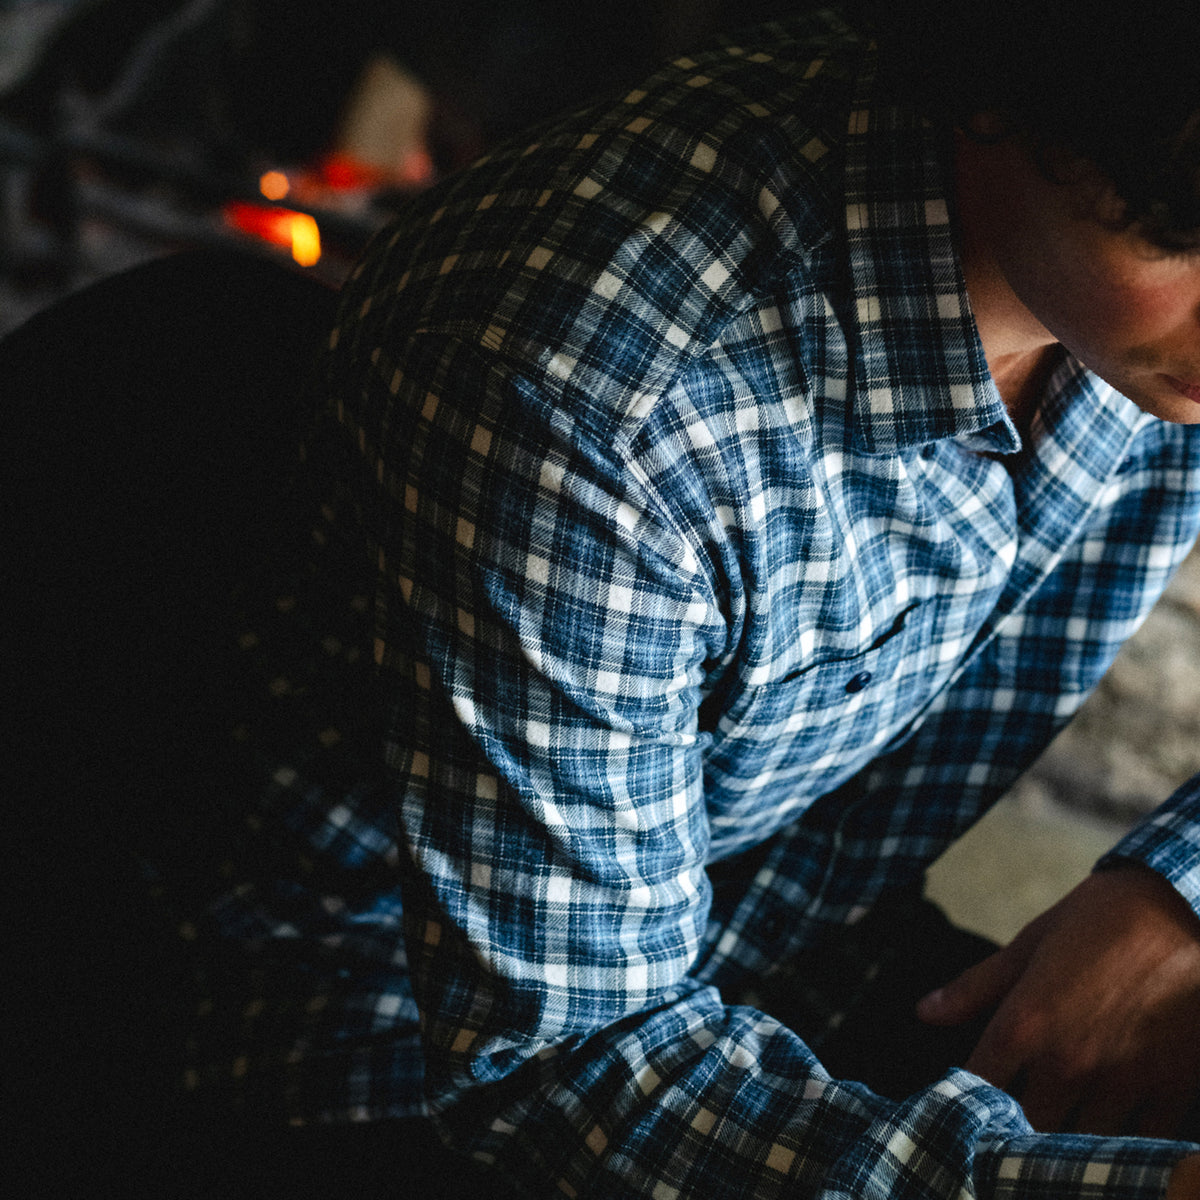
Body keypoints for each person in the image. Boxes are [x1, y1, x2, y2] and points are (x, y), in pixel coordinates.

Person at [32, 1, 1199, 1196]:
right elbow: (568, 1072)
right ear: (1000, 91)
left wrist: (1177, 892)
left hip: (794, 922)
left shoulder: (1128, 242)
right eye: (1176, 240)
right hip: (395, 1043)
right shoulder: (593, 395)